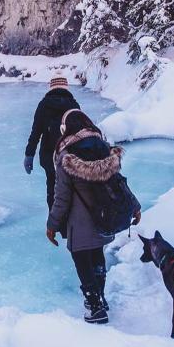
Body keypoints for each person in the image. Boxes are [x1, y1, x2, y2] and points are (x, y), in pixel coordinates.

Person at [46, 109, 141, 324]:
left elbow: (61, 197)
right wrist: (135, 207)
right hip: (104, 215)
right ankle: (100, 297)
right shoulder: (104, 148)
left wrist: (52, 225)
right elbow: (120, 184)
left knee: (81, 259)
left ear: (65, 128)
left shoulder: (65, 156)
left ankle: (95, 306)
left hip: (79, 220)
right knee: (97, 255)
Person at [24, 72, 80, 211]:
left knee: (53, 189)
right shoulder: (74, 105)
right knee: (71, 190)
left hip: (50, 158)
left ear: (51, 88)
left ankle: (54, 224)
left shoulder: (43, 105)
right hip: (71, 158)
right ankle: (70, 225)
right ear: (66, 87)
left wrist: (29, 155)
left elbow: (35, 133)